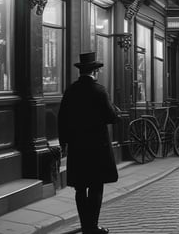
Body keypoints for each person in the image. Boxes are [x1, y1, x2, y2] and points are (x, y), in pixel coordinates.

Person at [58, 52, 119, 234]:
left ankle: (85, 226)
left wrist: (64, 143)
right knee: (95, 186)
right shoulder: (99, 90)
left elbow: (62, 118)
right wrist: (115, 111)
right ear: (95, 71)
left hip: (77, 147)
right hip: (97, 148)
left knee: (80, 188)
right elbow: (110, 117)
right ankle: (92, 226)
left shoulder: (71, 90)